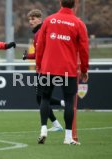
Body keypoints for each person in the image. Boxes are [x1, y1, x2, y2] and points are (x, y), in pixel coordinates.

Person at [36, 0, 89, 145]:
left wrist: (38, 65)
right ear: (74, 5)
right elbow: (84, 49)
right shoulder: (78, 24)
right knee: (69, 102)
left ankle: (43, 130)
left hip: (48, 67)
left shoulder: (49, 20)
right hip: (68, 69)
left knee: (45, 98)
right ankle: (68, 137)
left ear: (60, 3)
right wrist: (84, 69)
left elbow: (40, 45)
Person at [23, 9, 65, 132]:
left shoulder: (39, 33)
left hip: (43, 70)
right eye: (29, 19)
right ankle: (57, 123)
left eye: (33, 19)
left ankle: (63, 105)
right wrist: (27, 56)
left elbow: (39, 54)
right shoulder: (41, 32)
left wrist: (30, 57)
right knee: (41, 97)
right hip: (46, 69)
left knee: (42, 98)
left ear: (40, 19)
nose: (31, 21)